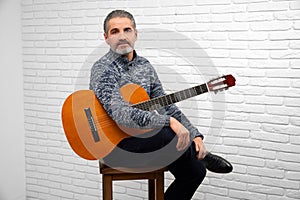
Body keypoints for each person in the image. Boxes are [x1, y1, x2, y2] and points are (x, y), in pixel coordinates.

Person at [89, 10, 232, 200]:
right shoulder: (103, 68)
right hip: (113, 145)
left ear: (135, 34)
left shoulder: (145, 66)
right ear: (106, 38)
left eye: (127, 30)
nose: (122, 36)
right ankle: (202, 156)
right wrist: (169, 122)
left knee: (195, 172)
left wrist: (194, 134)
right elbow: (120, 113)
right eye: (115, 31)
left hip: (143, 139)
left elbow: (165, 103)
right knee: (168, 133)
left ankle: (197, 154)